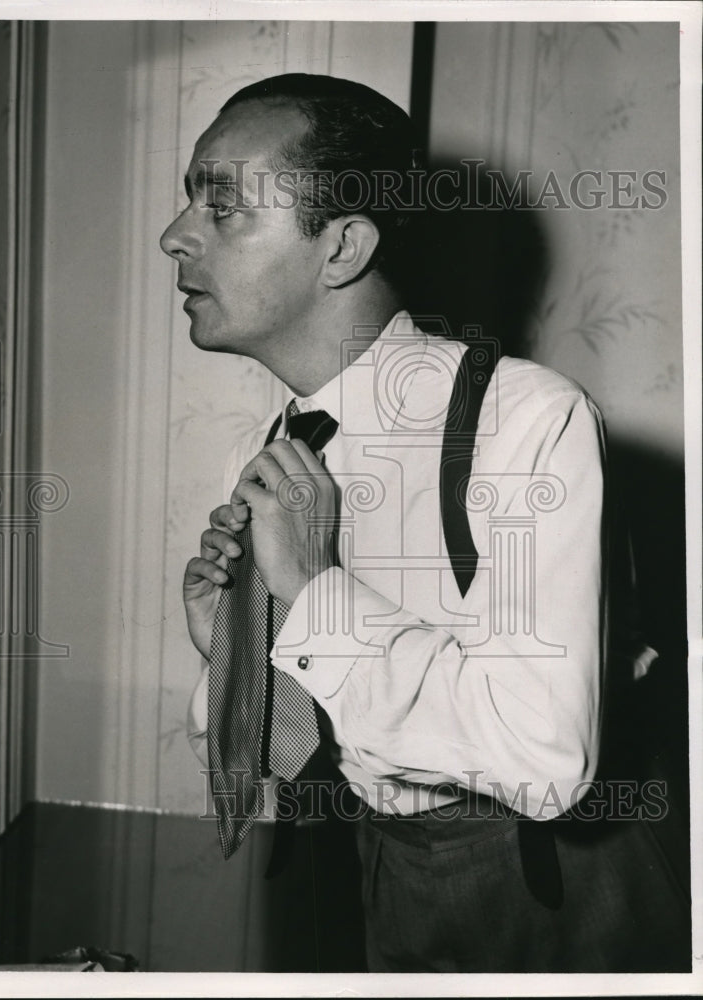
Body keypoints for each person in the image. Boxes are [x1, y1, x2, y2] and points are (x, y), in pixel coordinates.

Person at [160, 74, 690, 973]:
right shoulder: (269, 452)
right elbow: (312, 746)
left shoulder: (523, 419)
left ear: (342, 248)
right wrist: (235, 650)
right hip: (384, 872)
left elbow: (547, 764)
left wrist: (314, 593)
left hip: (557, 886)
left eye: (223, 206)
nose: (175, 236)